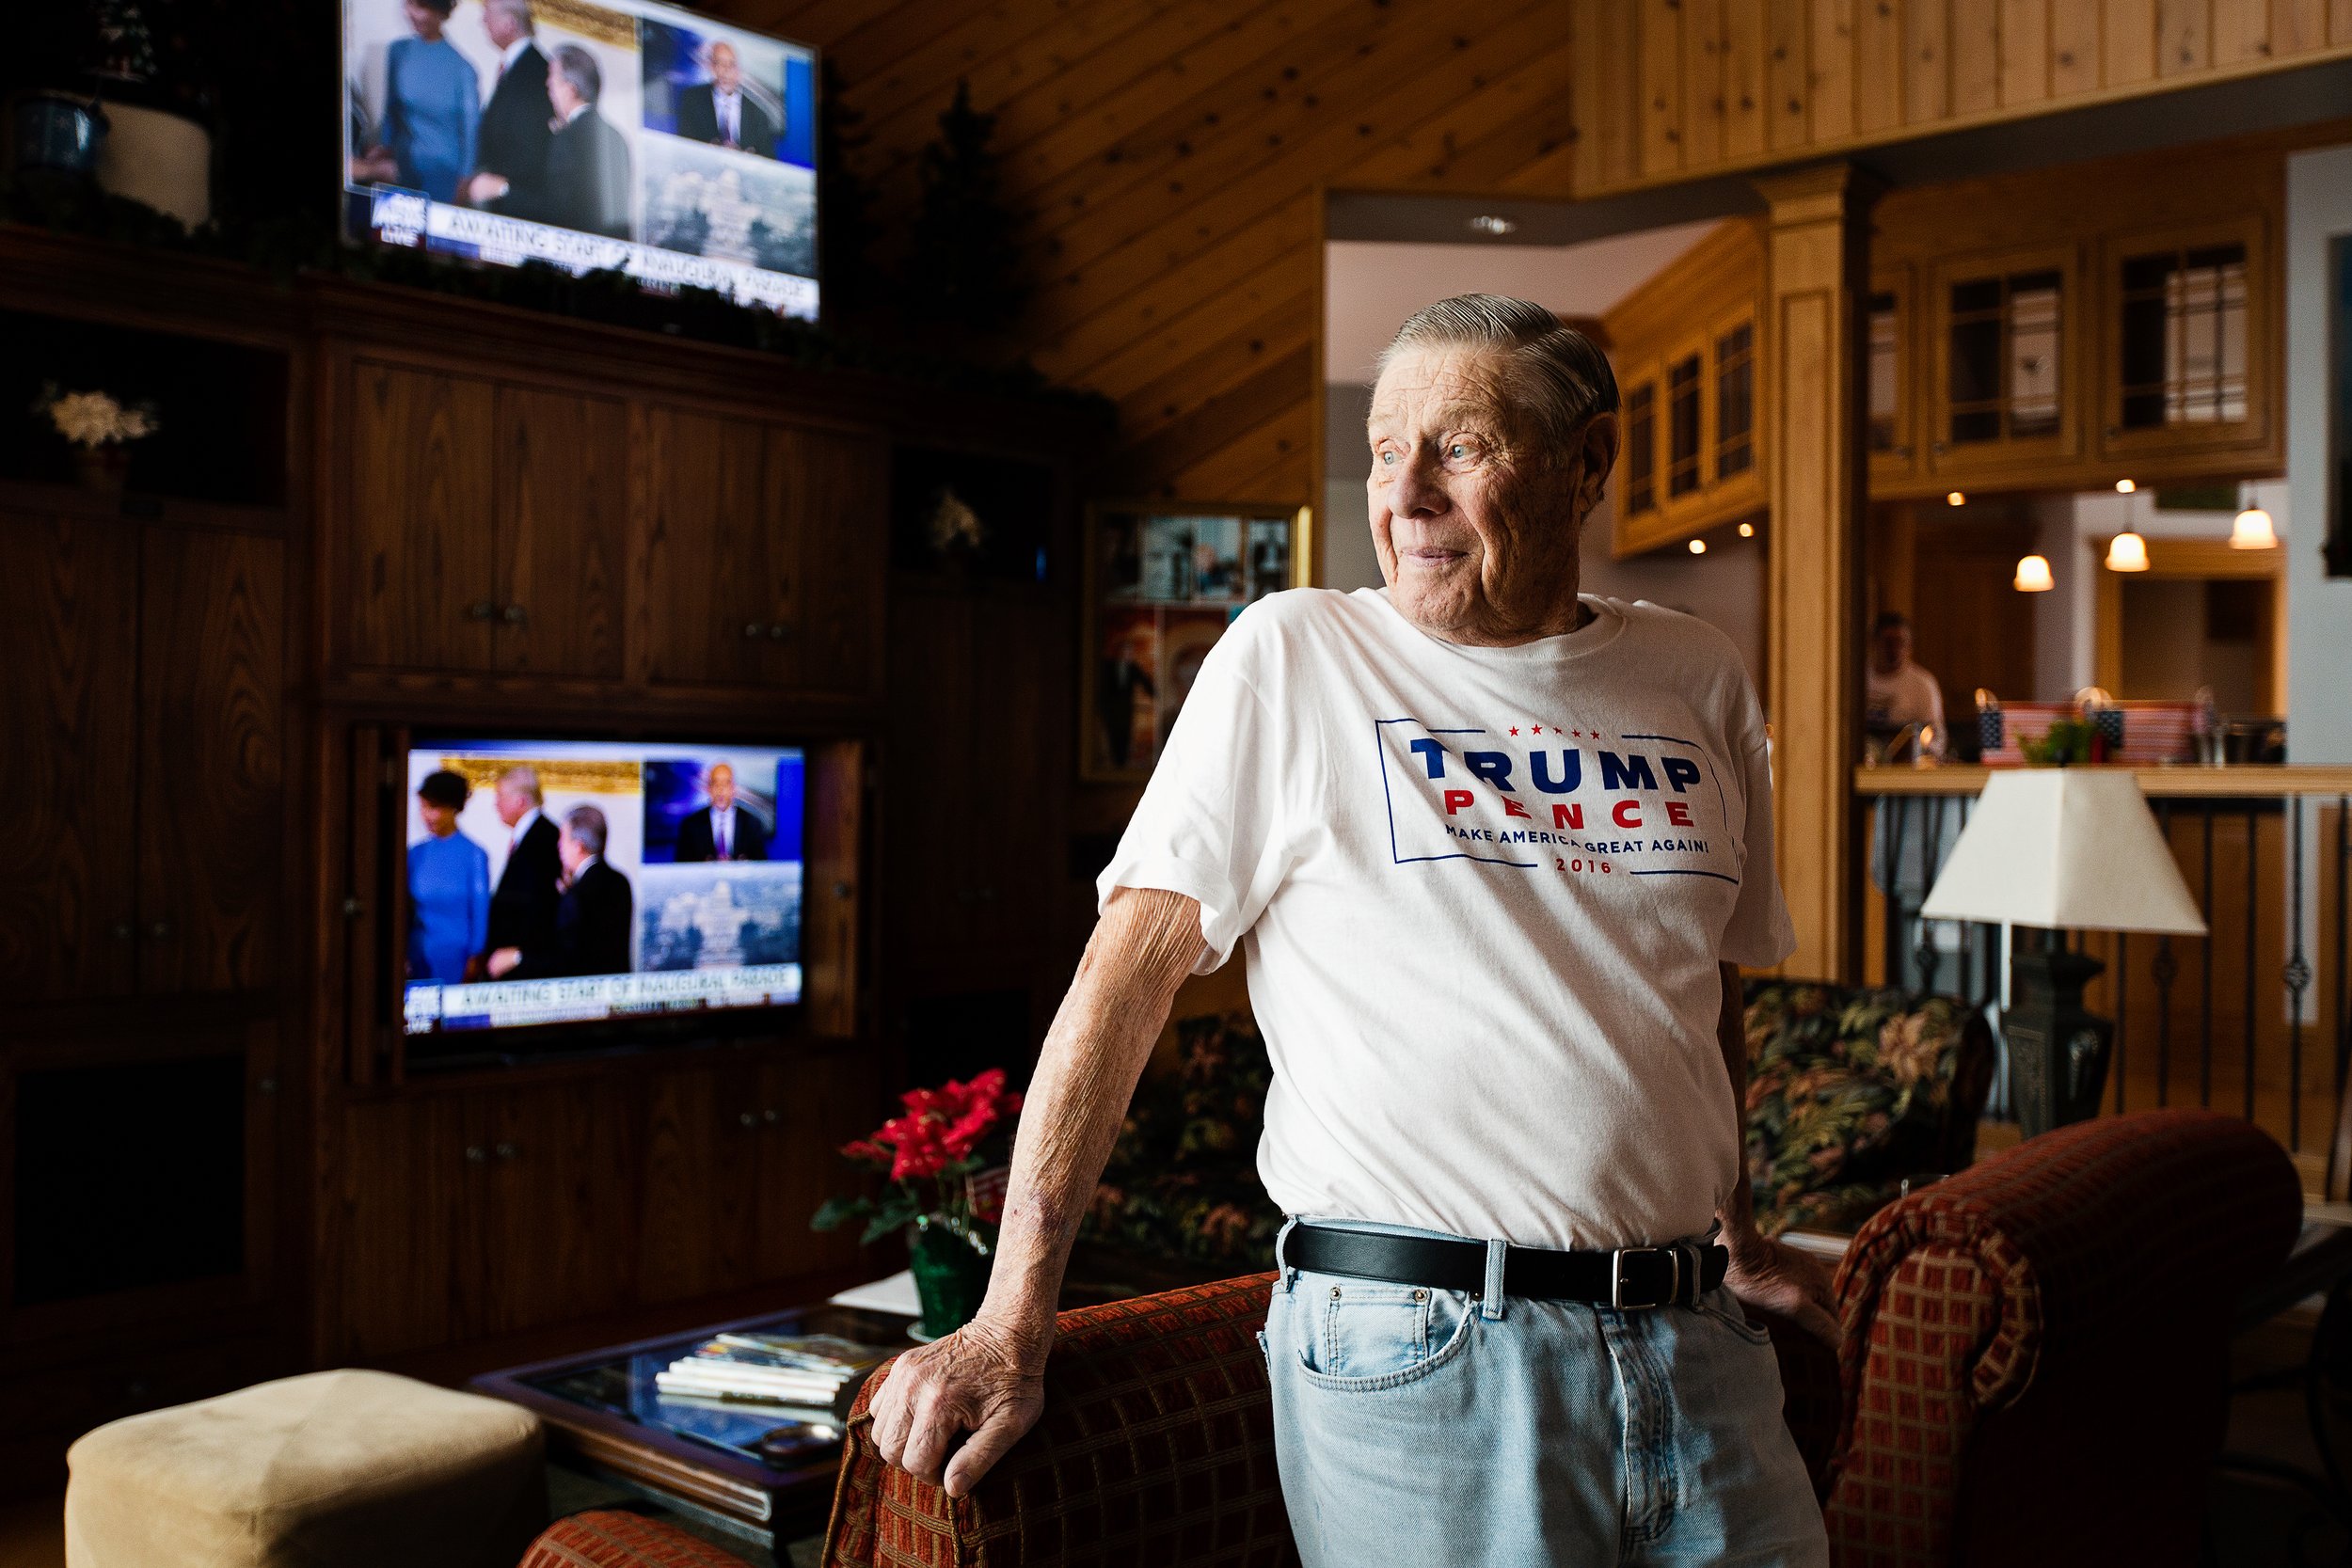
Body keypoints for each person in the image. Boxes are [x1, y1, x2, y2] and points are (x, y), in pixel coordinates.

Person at [867, 294, 1836, 1567]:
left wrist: (1740, 1232)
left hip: (1697, 1343)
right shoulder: (1296, 655)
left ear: (1586, 463)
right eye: (1388, 450)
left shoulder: (1697, 670)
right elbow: (1127, 975)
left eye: (1463, 446)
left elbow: (1695, 984)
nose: (1409, 493)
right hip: (1428, 1350)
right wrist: (1011, 1312)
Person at [486, 805, 632, 979]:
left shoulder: (576, 895)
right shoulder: (621, 882)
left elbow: (565, 961)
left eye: (562, 838)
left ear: (578, 846)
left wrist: (518, 957)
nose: (558, 846)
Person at [501, 44, 631, 239]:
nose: (547, 85)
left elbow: (556, 211)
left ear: (570, 90)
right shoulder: (617, 137)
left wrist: (503, 190)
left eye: (552, 78)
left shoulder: (568, 137)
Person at [376, 0, 480, 203]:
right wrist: (383, 148)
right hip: (400, 170)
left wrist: (464, 184)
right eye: (408, 5)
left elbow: (471, 134)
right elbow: (391, 111)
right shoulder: (398, 51)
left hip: (443, 178)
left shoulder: (463, 70)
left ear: (440, 13)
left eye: (420, 7)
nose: (410, 13)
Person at [463, 0, 552, 211]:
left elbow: (529, 146)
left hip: (509, 207)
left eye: (488, 13)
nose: (482, 20)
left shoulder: (537, 72)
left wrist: (499, 186)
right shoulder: (518, 66)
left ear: (510, 23)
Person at [405, 770, 489, 985]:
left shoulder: (474, 855)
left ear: (453, 808)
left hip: (458, 961)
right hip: (417, 960)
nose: (426, 815)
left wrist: (475, 958)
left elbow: (480, 915)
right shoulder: (415, 854)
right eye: (423, 807)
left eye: (433, 808)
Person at [484, 766, 563, 972]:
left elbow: (543, 908)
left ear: (520, 801)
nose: (495, 804)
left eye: (500, 796)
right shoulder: (535, 834)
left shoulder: (545, 838)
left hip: (525, 967)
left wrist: (520, 956)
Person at [1865, 610, 1947, 760]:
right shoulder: (1858, 679)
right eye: (1888, 641)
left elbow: (1936, 736)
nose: (1894, 649)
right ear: (1874, 642)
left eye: (1900, 642)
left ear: (1909, 645)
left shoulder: (1923, 684)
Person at [675, 41, 777, 157]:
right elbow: (683, 146)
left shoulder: (757, 113)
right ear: (712, 67)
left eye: (732, 65)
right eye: (720, 64)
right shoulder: (692, 99)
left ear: (739, 70)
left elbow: (768, 158)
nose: (726, 71)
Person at [674, 763, 768, 863]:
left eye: (726, 783)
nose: (720, 789)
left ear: (733, 789)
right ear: (708, 789)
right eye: (715, 783)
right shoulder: (690, 825)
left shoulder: (752, 823)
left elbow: (761, 864)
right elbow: (681, 865)